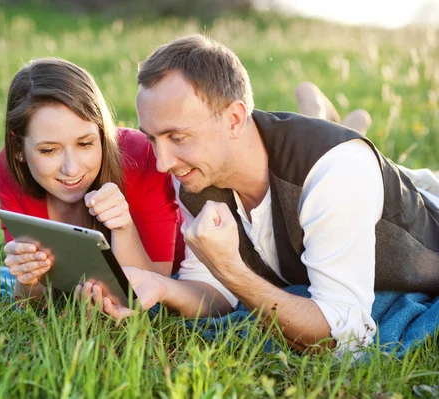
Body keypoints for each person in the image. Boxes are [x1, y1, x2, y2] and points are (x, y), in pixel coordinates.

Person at [99, 34, 439, 353]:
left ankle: (336, 122)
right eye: (153, 139)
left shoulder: (332, 171)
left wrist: (231, 268)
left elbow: (347, 335)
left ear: (234, 119)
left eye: (177, 137)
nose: (161, 163)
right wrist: (162, 287)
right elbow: (213, 291)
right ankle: (329, 117)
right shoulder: (194, 173)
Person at [0, 58, 180, 302]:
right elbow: (34, 301)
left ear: (102, 133)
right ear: (18, 146)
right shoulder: (12, 170)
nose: (71, 169)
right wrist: (27, 279)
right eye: (49, 150)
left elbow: (153, 292)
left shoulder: (141, 157)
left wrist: (123, 227)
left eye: (85, 144)